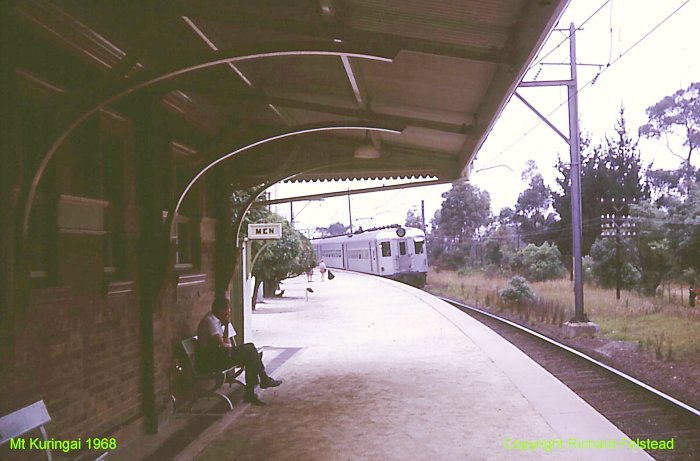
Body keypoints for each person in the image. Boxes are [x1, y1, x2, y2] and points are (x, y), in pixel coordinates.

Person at [196, 298, 282, 406]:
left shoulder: (216, 321)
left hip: (218, 355)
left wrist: (226, 325)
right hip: (210, 361)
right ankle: (261, 382)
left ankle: (254, 390)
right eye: (227, 309)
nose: (229, 312)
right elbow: (223, 345)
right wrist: (227, 345)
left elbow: (226, 343)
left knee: (249, 355)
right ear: (220, 310)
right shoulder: (210, 321)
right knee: (249, 350)